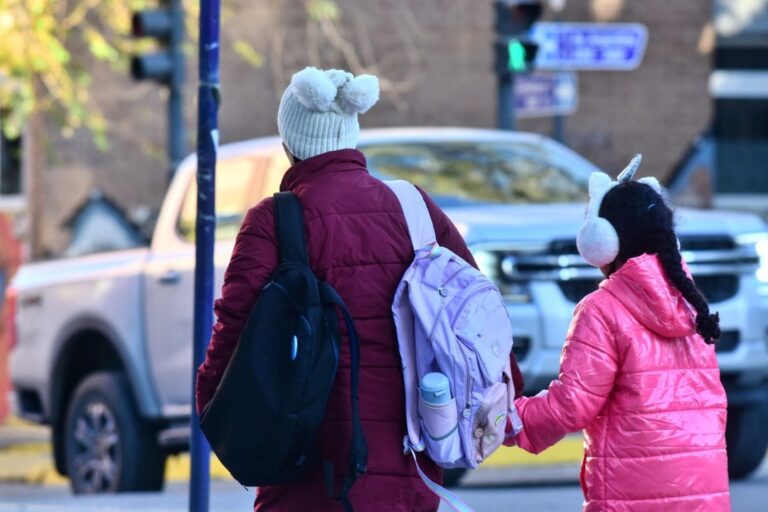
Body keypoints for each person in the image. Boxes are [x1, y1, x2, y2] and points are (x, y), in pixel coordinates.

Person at [196, 67, 523, 511]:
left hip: (311, 469)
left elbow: (233, 330)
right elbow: (480, 316)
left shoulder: (274, 220)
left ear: (290, 144)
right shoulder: (414, 208)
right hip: (412, 470)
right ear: (351, 137)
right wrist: (508, 394)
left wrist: (211, 403)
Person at [507, 160, 730, 511]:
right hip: (704, 492)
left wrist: (508, 419)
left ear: (603, 242)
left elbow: (572, 404)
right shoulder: (692, 306)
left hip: (631, 494)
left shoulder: (602, 309)